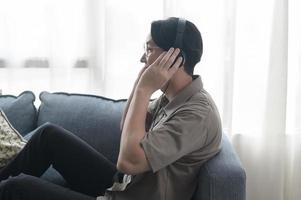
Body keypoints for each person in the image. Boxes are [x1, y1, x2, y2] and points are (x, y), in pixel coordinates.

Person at [0, 17, 222, 200]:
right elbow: (125, 128)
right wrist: (141, 83)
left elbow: (128, 161)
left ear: (175, 58)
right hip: (124, 187)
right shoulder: (171, 97)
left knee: (17, 188)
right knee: (48, 135)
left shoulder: (197, 114)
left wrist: (145, 90)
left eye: (149, 49)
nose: (142, 57)